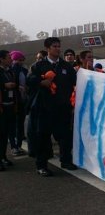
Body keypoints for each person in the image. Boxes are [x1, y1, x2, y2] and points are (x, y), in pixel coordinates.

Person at [26, 37, 78, 176]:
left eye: (58, 46)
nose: (57, 48)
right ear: (48, 48)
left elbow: (76, 83)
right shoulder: (39, 65)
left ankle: (66, 160)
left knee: (65, 137)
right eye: (54, 46)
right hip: (44, 109)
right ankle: (41, 166)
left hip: (62, 108)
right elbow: (29, 80)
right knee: (43, 138)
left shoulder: (66, 67)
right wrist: (41, 81)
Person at [0, 50, 16, 170]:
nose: (11, 59)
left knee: (5, 134)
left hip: (10, 105)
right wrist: (4, 85)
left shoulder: (9, 71)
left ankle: (3, 156)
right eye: (8, 57)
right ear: (1, 59)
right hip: (1, 106)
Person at [10, 51, 28, 156]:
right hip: (14, 100)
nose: (19, 62)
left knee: (20, 124)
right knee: (14, 125)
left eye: (21, 60)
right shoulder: (12, 70)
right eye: (17, 60)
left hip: (22, 99)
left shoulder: (24, 70)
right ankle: (14, 146)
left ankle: (19, 145)